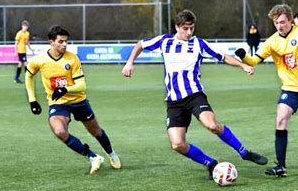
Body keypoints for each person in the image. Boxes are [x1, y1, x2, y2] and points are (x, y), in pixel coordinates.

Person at [122, 9, 268, 180]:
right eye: (185, 28)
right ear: (177, 27)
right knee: (177, 144)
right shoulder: (164, 41)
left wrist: (243, 66)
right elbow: (140, 44)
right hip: (174, 101)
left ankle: (244, 152)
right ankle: (211, 164)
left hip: (194, 95)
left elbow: (223, 56)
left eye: (192, 28)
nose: (189, 32)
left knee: (212, 125)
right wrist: (129, 62)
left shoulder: (198, 44)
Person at [235, 4, 298, 177]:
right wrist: (243, 56)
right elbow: (253, 61)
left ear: (290, 20)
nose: (279, 26)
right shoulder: (272, 42)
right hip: (290, 88)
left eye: (282, 22)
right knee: (281, 119)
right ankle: (281, 166)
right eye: (276, 23)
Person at [25, 25, 121, 174]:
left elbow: (82, 85)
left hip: (79, 101)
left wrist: (65, 89)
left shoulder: (72, 59)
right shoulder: (40, 60)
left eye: (66, 42)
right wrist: (32, 100)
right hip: (58, 103)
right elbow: (29, 75)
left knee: (96, 131)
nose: (64, 44)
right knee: (59, 131)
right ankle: (93, 157)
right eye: (61, 41)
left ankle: (111, 153)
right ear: (51, 42)